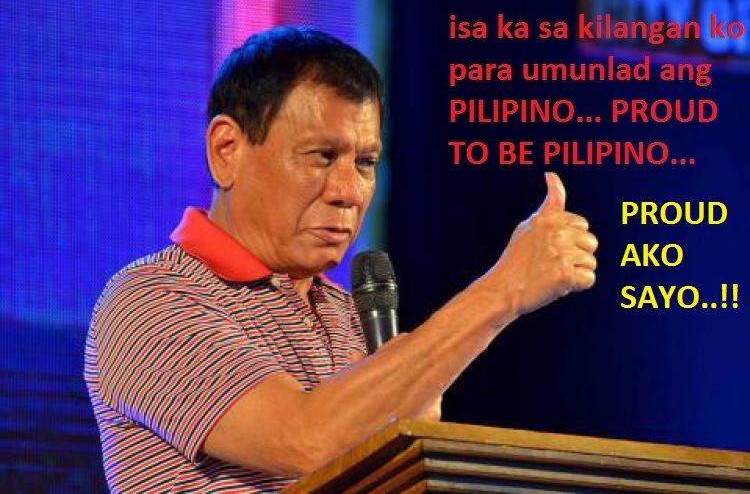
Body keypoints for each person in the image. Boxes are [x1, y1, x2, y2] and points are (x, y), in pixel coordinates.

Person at [84, 26, 598, 493]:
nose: (349, 191)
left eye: (366, 162)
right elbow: (303, 438)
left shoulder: (347, 312)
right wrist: (504, 291)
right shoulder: (151, 300)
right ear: (227, 149)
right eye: (322, 156)